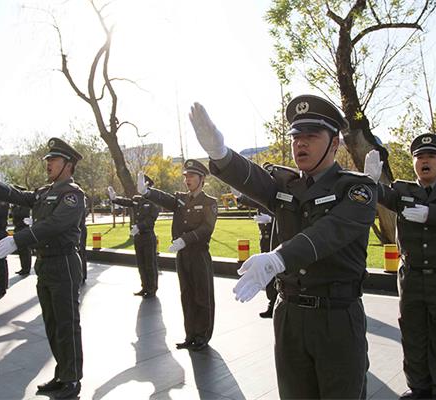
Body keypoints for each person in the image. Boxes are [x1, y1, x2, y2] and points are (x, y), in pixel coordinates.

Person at [189, 95, 377, 399]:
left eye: (311, 136)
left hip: (336, 318)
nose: (300, 144)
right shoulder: (286, 186)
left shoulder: (357, 189)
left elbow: (329, 232)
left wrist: (279, 258)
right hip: (289, 315)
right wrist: (220, 153)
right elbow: (253, 179)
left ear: (334, 143)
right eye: (296, 137)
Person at [364, 135, 436, 399]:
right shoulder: (403, 190)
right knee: (413, 333)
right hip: (412, 276)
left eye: (431, 156)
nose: (424, 161)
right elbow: (381, 195)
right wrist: (370, 181)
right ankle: (418, 386)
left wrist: (433, 215)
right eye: (419, 157)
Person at [0, 138, 85, 399]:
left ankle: (72, 379)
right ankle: (61, 374)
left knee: (67, 324)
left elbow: (54, 225)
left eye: (53, 160)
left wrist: (17, 239)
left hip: (64, 263)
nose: (48, 163)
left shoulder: (73, 194)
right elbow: (18, 195)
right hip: (45, 263)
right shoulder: (44, 192)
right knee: (51, 323)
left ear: (67, 165)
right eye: (47, 160)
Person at [138, 161, 218, 351]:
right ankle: (190, 334)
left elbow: (207, 228)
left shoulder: (209, 202)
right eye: (186, 176)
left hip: (198, 254)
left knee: (202, 295)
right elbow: (165, 199)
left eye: (191, 176)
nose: (187, 180)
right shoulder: (181, 199)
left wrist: (185, 240)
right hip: (183, 255)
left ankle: (202, 335)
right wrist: (148, 192)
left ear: (201, 179)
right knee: (187, 295)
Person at [108, 175, 159, 298]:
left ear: (147, 185)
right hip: (138, 237)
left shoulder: (154, 201)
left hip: (148, 236)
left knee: (149, 264)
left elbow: (151, 220)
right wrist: (115, 199)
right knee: (141, 263)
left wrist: (139, 227)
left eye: (142, 184)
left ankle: (152, 289)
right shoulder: (138, 199)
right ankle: (144, 287)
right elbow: (128, 202)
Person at [232, 184, 278, 318]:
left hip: (276, 238)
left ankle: (277, 302)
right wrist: (239, 196)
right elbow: (249, 199)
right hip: (265, 238)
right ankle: (271, 303)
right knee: (267, 272)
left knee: (276, 272)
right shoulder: (263, 195)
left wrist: (271, 220)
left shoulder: (279, 194)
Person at [9, 184, 33, 276]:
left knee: (26, 250)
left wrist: (15, 212)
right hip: (17, 228)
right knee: (21, 250)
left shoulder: (25, 203)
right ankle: (23, 267)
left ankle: (26, 268)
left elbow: (22, 213)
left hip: (24, 227)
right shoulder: (15, 205)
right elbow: (13, 214)